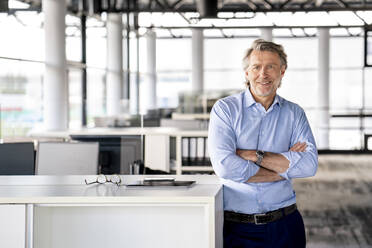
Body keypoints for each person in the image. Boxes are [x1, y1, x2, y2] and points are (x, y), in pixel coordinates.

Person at [208, 39, 318, 248]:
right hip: (237, 229)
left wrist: (254, 155)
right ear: (246, 73)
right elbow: (225, 167)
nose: (263, 74)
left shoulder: (294, 113)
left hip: (285, 226)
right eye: (256, 67)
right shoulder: (225, 110)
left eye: (271, 67)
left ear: (282, 72)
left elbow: (309, 165)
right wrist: (283, 169)